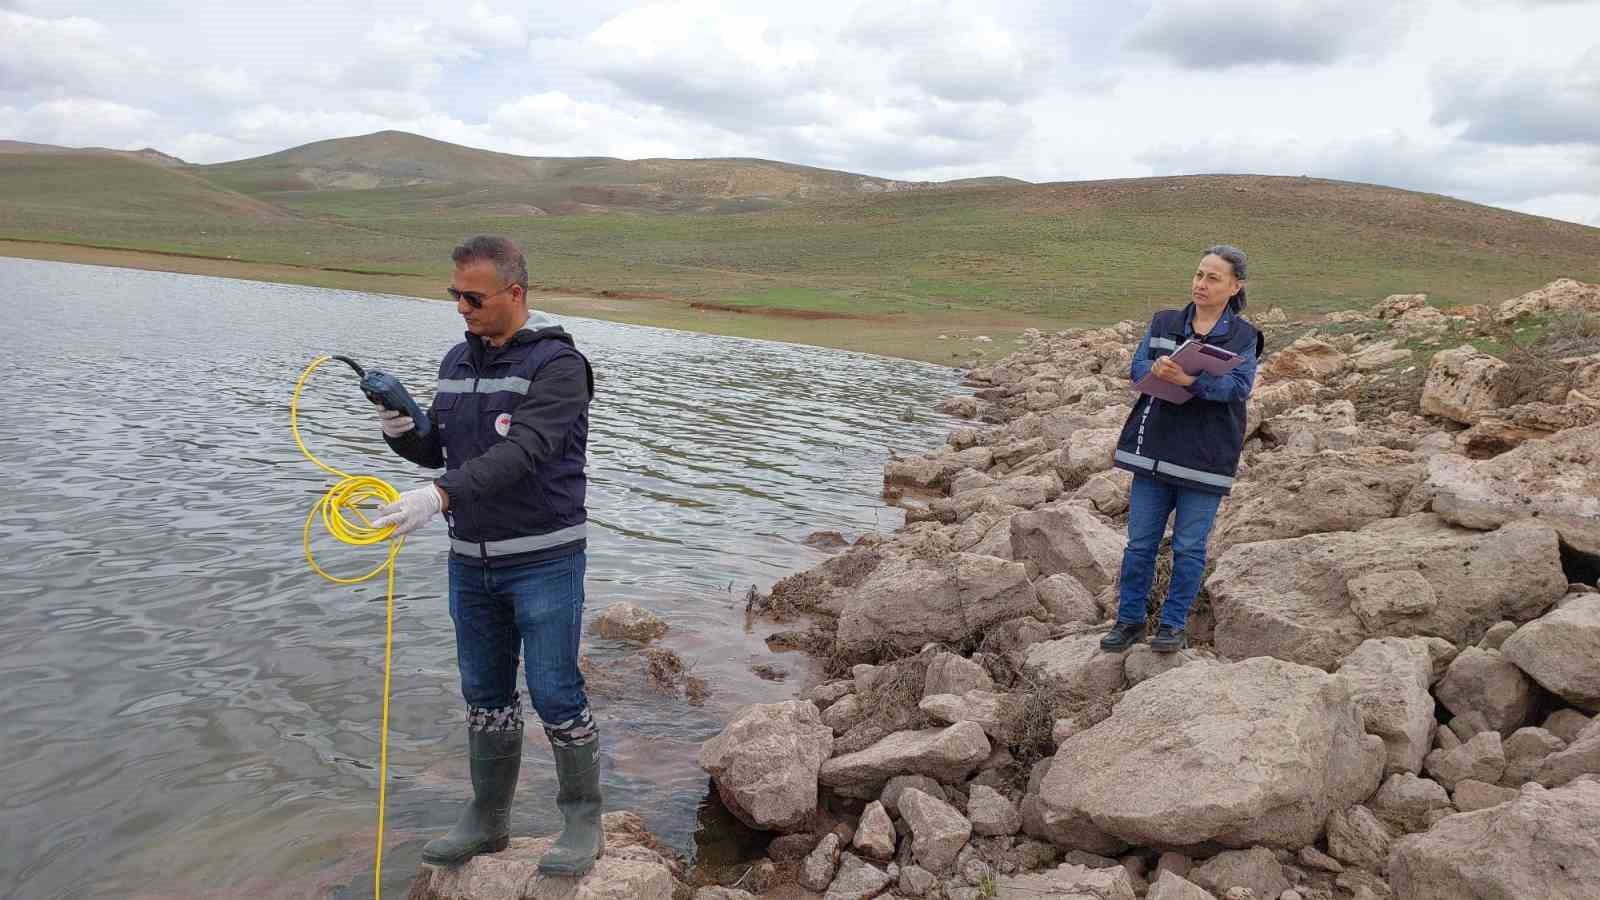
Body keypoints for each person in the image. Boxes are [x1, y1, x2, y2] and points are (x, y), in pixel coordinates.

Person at [370, 234, 603, 875]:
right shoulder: (456, 360)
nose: (461, 309)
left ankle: (582, 819)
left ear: (515, 294)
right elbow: (442, 450)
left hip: (545, 559)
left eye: (473, 297)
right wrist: (403, 432)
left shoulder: (559, 367)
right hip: (470, 562)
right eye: (455, 295)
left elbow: (522, 452)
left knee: (556, 691)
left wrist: (437, 496)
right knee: (484, 693)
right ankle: (488, 819)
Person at [1100, 245, 1263, 655]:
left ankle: (1172, 626)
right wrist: (1154, 371)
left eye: (1212, 278)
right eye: (1198, 275)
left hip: (1206, 457)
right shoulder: (1164, 321)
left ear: (1235, 286)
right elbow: (1137, 368)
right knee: (1140, 543)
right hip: (1154, 446)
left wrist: (1190, 381)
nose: (1201, 284)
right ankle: (1129, 621)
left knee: (1190, 547)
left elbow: (1239, 387)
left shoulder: (1245, 337)